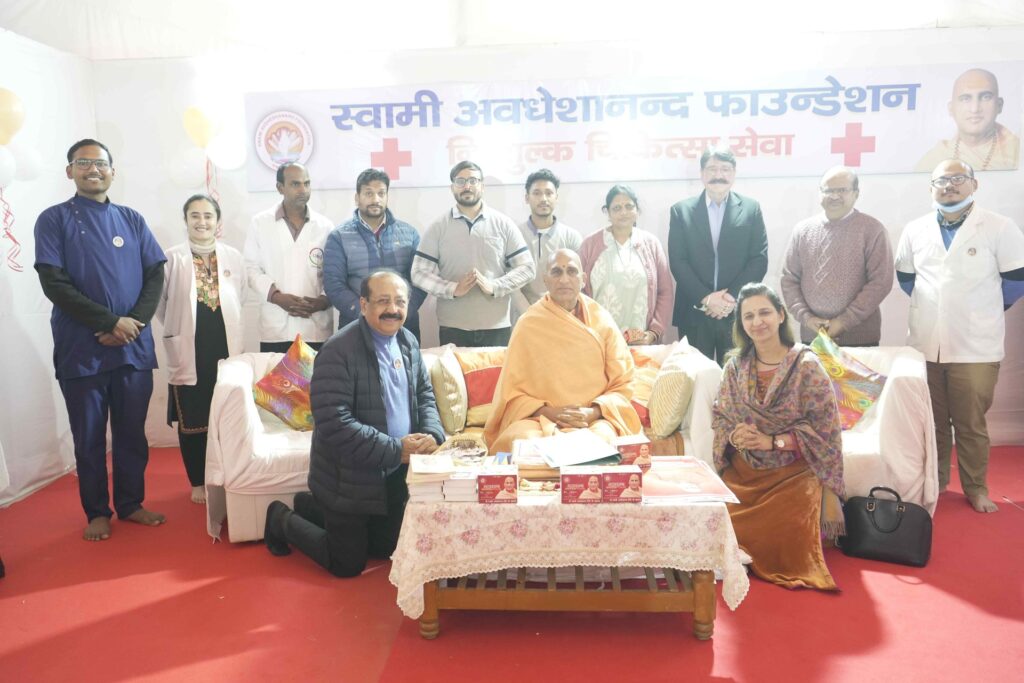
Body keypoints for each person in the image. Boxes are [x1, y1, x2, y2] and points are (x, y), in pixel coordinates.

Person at [264, 271, 445, 576]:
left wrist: (432, 434)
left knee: (386, 548)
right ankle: (280, 518)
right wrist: (395, 450)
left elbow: (424, 395)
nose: (393, 309)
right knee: (347, 564)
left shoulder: (408, 341)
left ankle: (310, 507)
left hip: (392, 475)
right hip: (347, 477)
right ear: (363, 305)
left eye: (400, 302)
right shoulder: (338, 350)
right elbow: (335, 423)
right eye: (383, 301)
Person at [34, 139, 167, 541]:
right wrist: (110, 322)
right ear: (69, 171)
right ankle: (96, 512)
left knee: (131, 433)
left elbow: (155, 275)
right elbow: (54, 283)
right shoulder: (53, 219)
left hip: (133, 348)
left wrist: (132, 324)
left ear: (113, 171)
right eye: (83, 162)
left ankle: (131, 503)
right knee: (89, 437)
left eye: (101, 163)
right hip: (82, 349)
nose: (93, 169)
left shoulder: (131, 219)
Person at [895, 159, 1024, 513]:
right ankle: (935, 483)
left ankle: (976, 488)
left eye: (958, 178)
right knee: (932, 423)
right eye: (941, 180)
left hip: (975, 346)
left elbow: (1016, 281)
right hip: (927, 344)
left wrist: (983, 310)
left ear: (974, 184)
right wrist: (938, 309)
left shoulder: (999, 227)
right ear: (931, 188)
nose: (949, 185)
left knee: (970, 424)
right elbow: (907, 279)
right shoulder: (915, 229)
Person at [712, 283, 845, 590]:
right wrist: (736, 436)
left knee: (783, 531)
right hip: (745, 471)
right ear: (741, 324)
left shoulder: (807, 366)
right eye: (748, 316)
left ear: (781, 315)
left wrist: (773, 442)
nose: (757, 322)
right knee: (718, 522)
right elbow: (721, 417)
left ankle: (751, 554)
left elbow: (825, 431)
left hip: (792, 471)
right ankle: (737, 553)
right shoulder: (735, 367)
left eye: (765, 313)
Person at [483, 248, 642, 454]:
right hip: (538, 420)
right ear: (546, 280)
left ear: (583, 279)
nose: (564, 279)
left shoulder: (602, 321)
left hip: (593, 419)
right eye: (557, 272)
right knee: (521, 441)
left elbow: (623, 382)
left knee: (603, 441)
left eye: (572, 271)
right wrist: (549, 412)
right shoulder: (528, 325)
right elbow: (511, 395)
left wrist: (593, 412)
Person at [156, 194, 247, 504]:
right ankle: (197, 481)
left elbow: (241, 296)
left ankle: (227, 478)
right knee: (193, 421)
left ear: (217, 221)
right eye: (194, 215)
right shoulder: (171, 258)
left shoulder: (233, 256)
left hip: (224, 346)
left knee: (227, 417)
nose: (202, 221)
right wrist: (178, 327)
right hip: (190, 349)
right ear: (185, 220)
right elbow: (161, 304)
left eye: (208, 215)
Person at [411, 161, 535, 346]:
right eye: (460, 181)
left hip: (497, 325)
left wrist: (495, 286)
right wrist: (452, 289)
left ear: (482, 186)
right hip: (452, 327)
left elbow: (527, 268)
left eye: (473, 180)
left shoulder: (503, 224)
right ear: (452, 188)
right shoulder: (438, 227)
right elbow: (418, 273)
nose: (467, 186)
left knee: (497, 367)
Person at [669, 147, 768, 365]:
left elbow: (759, 259)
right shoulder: (680, 211)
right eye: (712, 169)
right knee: (694, 377)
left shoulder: (751, 209)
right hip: (694, 311)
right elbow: (678, 262)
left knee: (737, 376)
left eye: (725, 169)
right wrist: (707, 299)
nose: (718, 175)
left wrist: (730, 298)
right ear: (702, 173)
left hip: (736, 313)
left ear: (734, 173)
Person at [780, 167, 894, 346]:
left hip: (860, 339)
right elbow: (789, 279)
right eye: (828, 190)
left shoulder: (873, 229)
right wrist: (807, 318)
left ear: (856, 194)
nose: (834, 196)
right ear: (819, 193)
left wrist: (843, 322)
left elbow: (880, 282)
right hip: (812, 336)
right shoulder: (802, 231)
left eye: (842, 190)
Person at [323, 168, 425, 341]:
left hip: (403, 327)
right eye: (368, 193)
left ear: (387, 197)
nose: (375, 199)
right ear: (357, 198)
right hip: (356, 326)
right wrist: (366, 313)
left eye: (381, 193)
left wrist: (402, 311)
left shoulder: (410, 234)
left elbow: (420, 279)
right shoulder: (339, 236)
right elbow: (334, 284)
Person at [245, 162, 334, 352]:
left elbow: (335, 271)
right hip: (276, 329)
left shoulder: (325, 226)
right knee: (276, 373)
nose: (303, 190)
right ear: (280, 188)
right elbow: (251, 268)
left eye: (307, 183)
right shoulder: (260, 223)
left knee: (317, 373)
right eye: (295, 184)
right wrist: (276, 297)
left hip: (315, 328)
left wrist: (323, 301)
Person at [580, 185, 673, 345]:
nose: (623, 212)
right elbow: (578, 292)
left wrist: (653, 332)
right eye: (617, 208)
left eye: (629, 207)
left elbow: (665, 292)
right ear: (607, 212)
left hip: (642, 340)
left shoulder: (651, 244)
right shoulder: (590, 245)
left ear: (637, 210)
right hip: (600, 339)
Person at [511, 169, 582, 323]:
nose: (543, 199)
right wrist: (532, 316)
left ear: (556, 197)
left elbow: (576, 283)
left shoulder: (571, 237)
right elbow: (513, 287)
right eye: (537, 193)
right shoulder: (514, 235)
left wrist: (559, 315)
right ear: (527, 198)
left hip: (563, 319)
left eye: (549, 193)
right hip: (525, 320)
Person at [915, 68, 1020, 172]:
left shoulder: (1017, 150)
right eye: (965, 99)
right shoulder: (934, 159)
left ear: (999, 105)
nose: (975, 109)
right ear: (951, 109)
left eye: (985, 97)